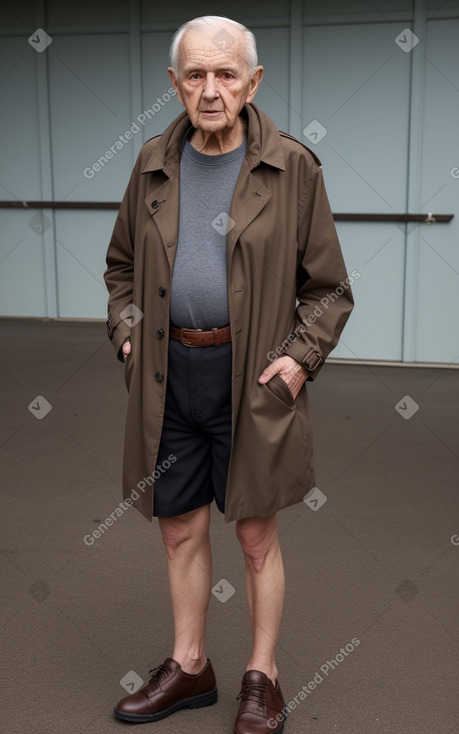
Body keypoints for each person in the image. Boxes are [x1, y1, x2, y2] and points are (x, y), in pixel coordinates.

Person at [104, 14, 353, 734]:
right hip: (166, 373)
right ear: (175, 83)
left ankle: (261, 676)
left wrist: (297, 363)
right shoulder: (153, 159)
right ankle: (189, 666)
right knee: (178, 530)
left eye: (225, 74)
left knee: (253, 538)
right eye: (195, 75)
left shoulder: (292, 166)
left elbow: (330, 288)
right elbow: (120, 269)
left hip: (252, 381)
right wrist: (127, 337)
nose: (210, 90)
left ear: (252, 81)